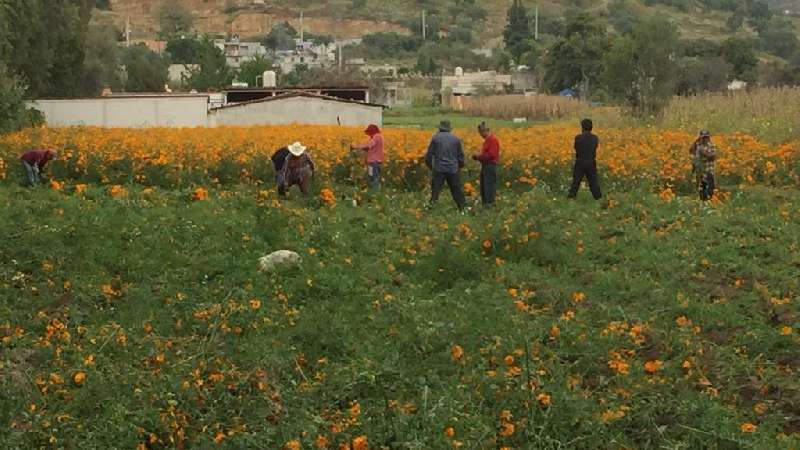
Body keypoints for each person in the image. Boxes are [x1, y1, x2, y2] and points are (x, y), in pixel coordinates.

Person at [425, 120, 466, 210]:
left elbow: (429, 154)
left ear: (440, 128)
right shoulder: (455, 139)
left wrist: (430, 166)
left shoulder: (435, 138)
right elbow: (460, 155)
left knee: (435, 190)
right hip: (452, 169)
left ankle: (431, 207)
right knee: (456, 189)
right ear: (449, 128)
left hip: (439, 169)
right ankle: (462, 207)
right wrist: (460, 166)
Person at [568, 119, 602, 200]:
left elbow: (576, 148)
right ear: (591, 127)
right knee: (593, 181)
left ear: (582, 127)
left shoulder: (578, 138)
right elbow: (595, 147)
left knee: (576, 181)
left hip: (580, 161)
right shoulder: (595, 138)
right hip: (591, 162)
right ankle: (598, 198)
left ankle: (571, 197)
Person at [472, 122, 500, 208]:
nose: (481, 135)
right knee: (484, 186)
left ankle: (489, 204)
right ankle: (485, 205)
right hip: (485, 166)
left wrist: (479, 157)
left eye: (481, 133)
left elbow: (491, 155)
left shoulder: (493, 140)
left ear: (485, 131)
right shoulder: (487, 140)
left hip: (490, 166)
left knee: (489, 186)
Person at [350, 124, 384, 190]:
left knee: (373, 177)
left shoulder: (377, 136)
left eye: (369, 132)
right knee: (373, 177)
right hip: (376, 162)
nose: (369, 135)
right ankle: (375, 192)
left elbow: (368, 145)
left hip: (373, 162)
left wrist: (354, 147)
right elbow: (367, 148)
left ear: (372, 131)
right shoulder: (378, 137)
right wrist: (359, 149)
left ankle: (375, 192)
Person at [689, 130, 717, 201]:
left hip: (708, 171)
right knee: (702, 191)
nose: (705, 139)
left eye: (706, 137)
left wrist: (703, 152)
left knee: (710, 191)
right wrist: (697, 140)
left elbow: (712, 157)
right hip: (700, 172)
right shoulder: (698, 146)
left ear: (709, 138)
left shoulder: (711, 145)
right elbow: (691, 151)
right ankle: (703, 203)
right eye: (703, 137)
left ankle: (711, 203)